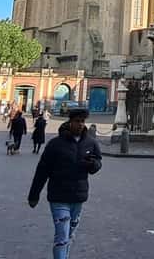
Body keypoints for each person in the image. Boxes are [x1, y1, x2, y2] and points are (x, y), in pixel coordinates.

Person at [27, 109, 102, 259]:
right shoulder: (55, 144)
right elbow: (42, 171)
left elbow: (98, 162)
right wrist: (34, 195)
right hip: (58, 197)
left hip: (78, 197)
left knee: (69, 234)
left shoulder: (90, 143)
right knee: (62, 236)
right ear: (70, 122)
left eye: (82, 121)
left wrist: (92, 164)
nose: (80, 124)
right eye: (77, 121)